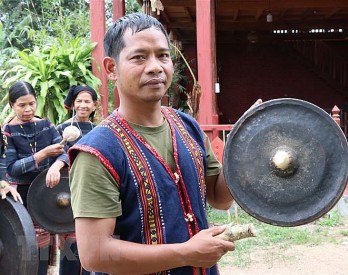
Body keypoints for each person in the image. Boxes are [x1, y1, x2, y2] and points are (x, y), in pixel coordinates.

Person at [69, 12, 235, 275]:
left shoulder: (186, 125)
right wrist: (187, 253)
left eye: (163, 55)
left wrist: (247, 151)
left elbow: (219, 197)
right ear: (111, 68)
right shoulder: (98, 152)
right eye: (139, 57)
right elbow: (94, 253)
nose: (156, 66)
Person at [3, 80, 68, 275]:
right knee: (25, 249)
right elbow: (13, 169)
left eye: (31, 103)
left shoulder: (46, 125)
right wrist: (43, 154)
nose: (28, 109)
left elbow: (64, 152)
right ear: (12, 105)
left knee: (42, 250)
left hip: (46, 193)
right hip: (19, 197)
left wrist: (57, 165)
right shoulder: (7, 131)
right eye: (22, 105)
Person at [56, 84, 98, 275]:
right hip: (66, 190)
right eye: (79, 101)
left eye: (87, 101)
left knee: (91, 242)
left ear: (94, 105)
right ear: (73, 104)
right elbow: (55, 161)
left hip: (91, 190)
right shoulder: (60, 130)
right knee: (69, 244)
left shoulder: (99, 130)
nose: (83, 105)